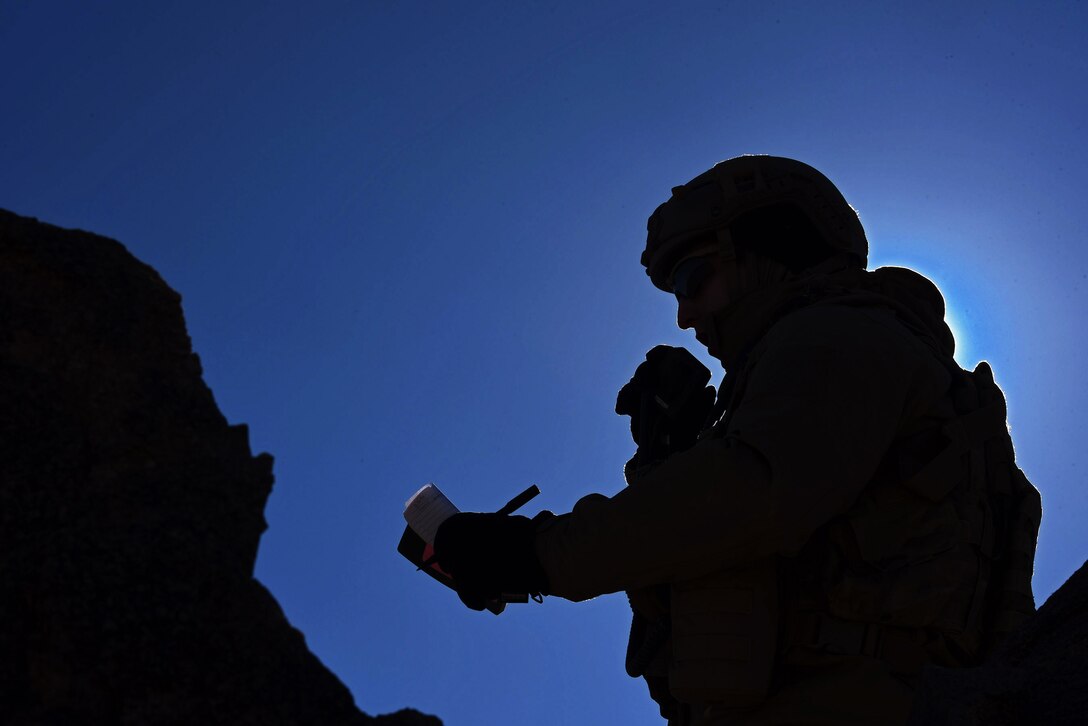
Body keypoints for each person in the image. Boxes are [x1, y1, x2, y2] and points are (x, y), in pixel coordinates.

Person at [433, 155, 1041, 725]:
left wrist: (533, 552)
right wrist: (666, 454)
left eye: (695, 279)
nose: (685, 316)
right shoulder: (833, 356)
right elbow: (719, 558)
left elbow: (744, 496)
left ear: (771, 252)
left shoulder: (839, 335)